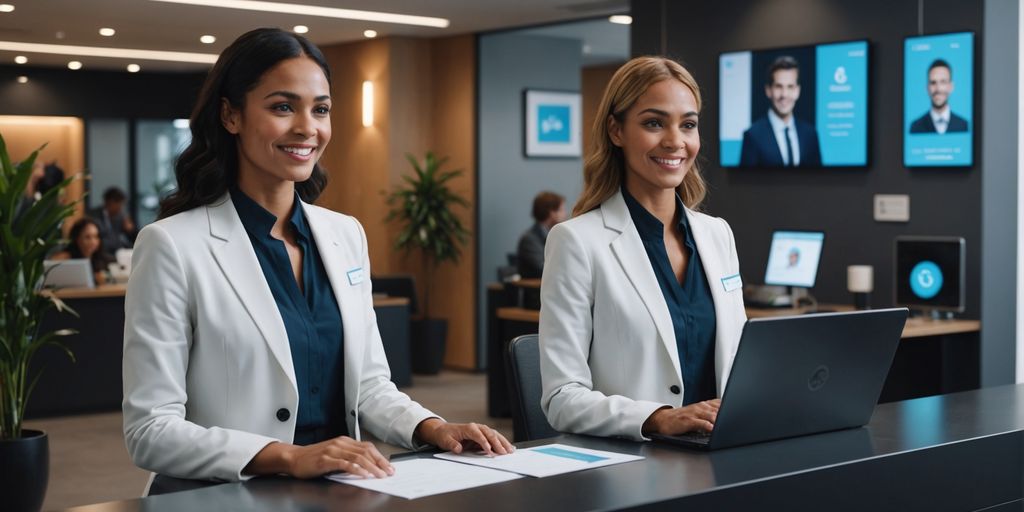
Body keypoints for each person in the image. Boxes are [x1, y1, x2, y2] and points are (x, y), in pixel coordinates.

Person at [122, 28, 512, 486]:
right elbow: (150, 430)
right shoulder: (171, 245)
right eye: (283, 107)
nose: (308, 128)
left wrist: (433, 428)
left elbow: (368, 387)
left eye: (321, 109)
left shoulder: (345, 234)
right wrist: (287, 456)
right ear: (230, 115)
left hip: (336, 489)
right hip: (222, 492)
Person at [539, 56, 746, 441]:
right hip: (634, 465)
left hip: (723, 453)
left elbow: (737, 364)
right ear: (616, 131)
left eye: (688, 125)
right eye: (654, 123)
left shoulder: (718, 235)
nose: (675, 141)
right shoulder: (576, 242)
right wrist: (657, 418)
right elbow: (561, 398)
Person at [739, 56, 822, 167]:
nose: (784, 94)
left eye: (790, 87)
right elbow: (744, 182)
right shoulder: (752, 135)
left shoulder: (810, 134)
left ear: (797, 91)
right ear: (768, 90)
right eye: (779, 86)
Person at [909, 59, 968, 134]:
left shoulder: (963, 126)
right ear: (927, 88)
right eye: (933, 83)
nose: (938, 89)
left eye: (943, 82)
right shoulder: (915, 127)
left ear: (951, 86)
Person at [50, 217, 115, 285]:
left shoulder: (107, 260)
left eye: (96, 237)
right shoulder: (65, 258)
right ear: (77, 239)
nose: (93, 242)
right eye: (87, 237)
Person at [516, 191, 566, 279]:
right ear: (552, 212)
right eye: (561, 210)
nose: (565, 214)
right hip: (536, 291)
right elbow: (544, 269)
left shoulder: (554, 234)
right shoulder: (529, 239)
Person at [87, 186, 136, 252]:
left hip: (119, 251)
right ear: (111, 202)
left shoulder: (120, 216)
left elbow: (132, 238)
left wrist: (130, 230)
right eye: (120, 204)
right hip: (102, 252)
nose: (121, 208)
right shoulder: (94, 216)